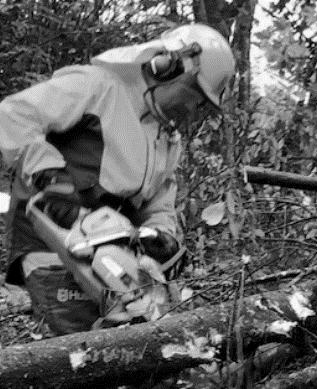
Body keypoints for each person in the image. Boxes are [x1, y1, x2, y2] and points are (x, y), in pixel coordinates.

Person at [0, 23, 236, 335]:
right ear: (167, 66)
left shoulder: (167, 138)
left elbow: (159, 203)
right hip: (53, 239)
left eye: (202, 103)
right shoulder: (98, 86)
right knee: (82, 347)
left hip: (114, 251)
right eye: (194, 93)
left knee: (148, 339)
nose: (193, 108)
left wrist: (161, 237)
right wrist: (51, 177)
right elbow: (14, 114)